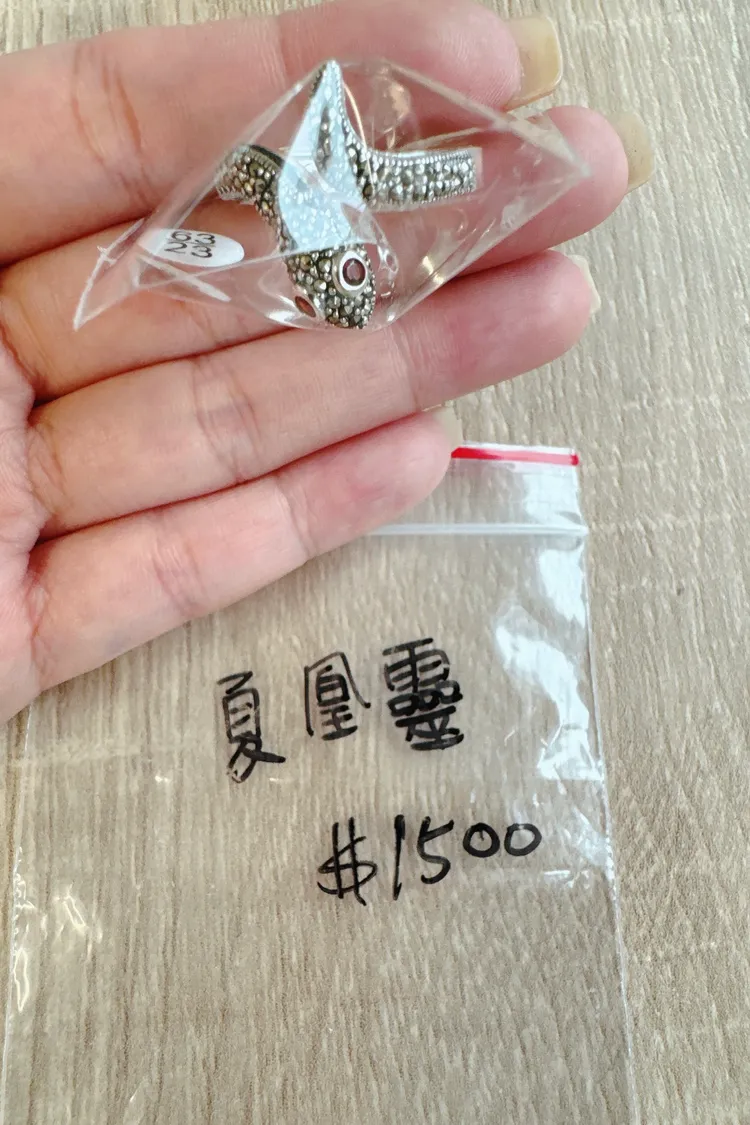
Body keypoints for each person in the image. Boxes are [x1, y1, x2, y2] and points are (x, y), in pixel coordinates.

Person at [0, 0, 651, 723]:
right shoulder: (301, 186)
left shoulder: (320, 186)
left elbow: (380, 183)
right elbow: (307, 183)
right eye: (343, 276)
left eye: (345, 276)